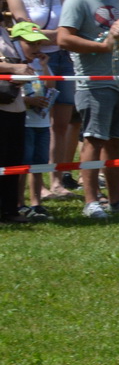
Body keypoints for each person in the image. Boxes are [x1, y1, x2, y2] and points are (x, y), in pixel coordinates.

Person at [55, 0, 119, 219]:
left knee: (117, 143)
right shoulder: (76, 0)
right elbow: (63, 39)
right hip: (94, 82)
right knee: (94, 140)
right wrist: (101, 47)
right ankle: (91, 201)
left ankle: (116, 200)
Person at [5, 0, 78, 196]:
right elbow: (24, 31)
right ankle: (38, 187)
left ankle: (56, 180)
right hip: (34, 62)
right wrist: (57, 35)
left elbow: (69, 31)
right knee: (36, 122)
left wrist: (50, 36)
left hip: (62, 60)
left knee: (61, 124)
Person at [8, 22, 57, 219]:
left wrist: (44, 67)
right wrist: (29, 100)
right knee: (23, 164)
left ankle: (36, 202)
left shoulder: (41, 64)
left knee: (39, 164)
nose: (36, 49)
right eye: (31, 44)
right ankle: (19, 202)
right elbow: (11, 92)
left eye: (39, 45)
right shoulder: (15, 64)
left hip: (42, 123)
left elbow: (51, 85)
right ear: (18, 42)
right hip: (25, 122)